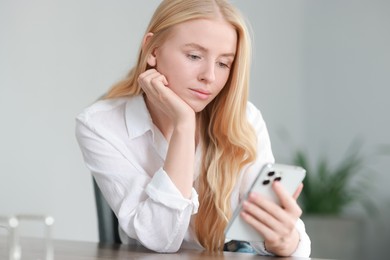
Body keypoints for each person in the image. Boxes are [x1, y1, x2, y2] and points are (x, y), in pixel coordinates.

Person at [75, 0, 311, 257]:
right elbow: (160, 239)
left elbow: (272, 238)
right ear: (153, 50)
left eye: (223, 63)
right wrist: (184, 126)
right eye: (194, 56)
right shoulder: (101, 124)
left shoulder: (245, 119)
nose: (209, 76)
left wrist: (286, 241)